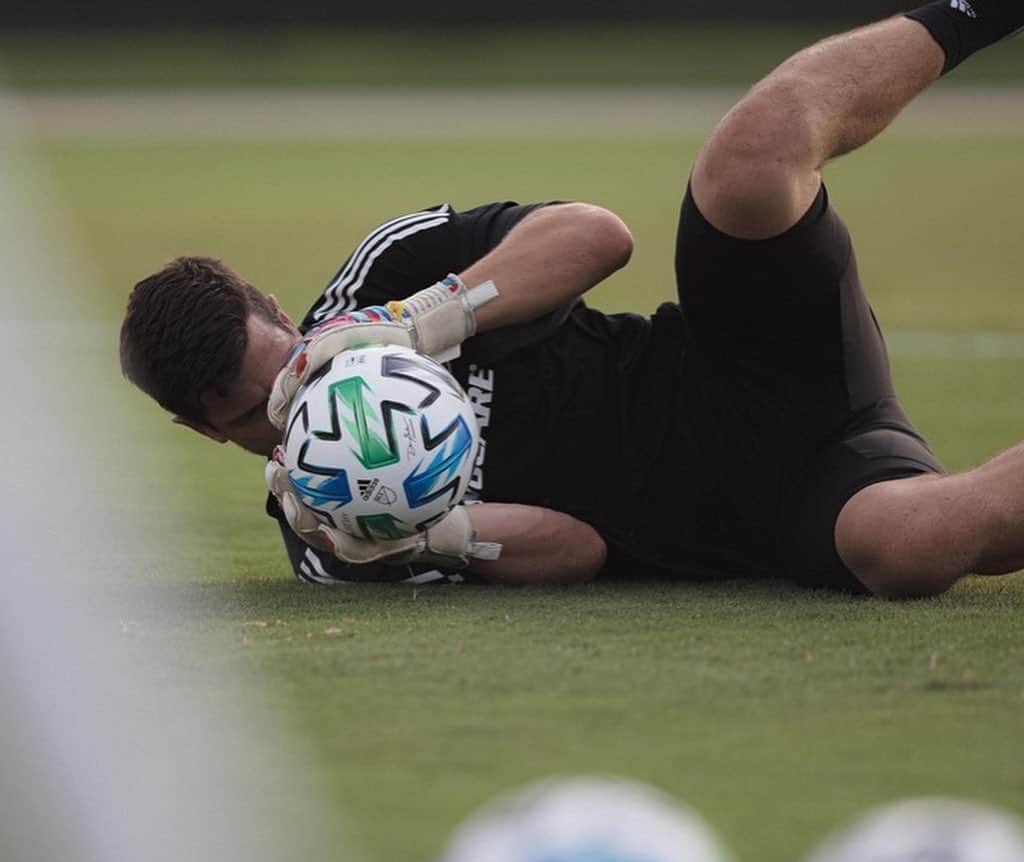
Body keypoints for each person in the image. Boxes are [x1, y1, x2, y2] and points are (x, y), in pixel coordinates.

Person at [120, 2, 1024, 596]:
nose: (290, 405)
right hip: (782, 505)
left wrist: (414, 324)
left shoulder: (384, 279)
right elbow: (577, 549)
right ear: (207, 433)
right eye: (253, 418)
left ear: (282, 315)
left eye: (283, 372)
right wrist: (413, 533)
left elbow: (600, 236)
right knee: (904, 547)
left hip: (732, 355)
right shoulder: (330, 542)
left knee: (751, 154)